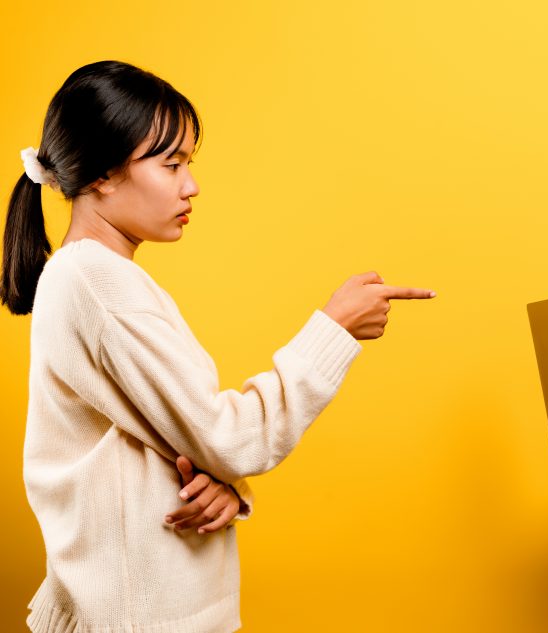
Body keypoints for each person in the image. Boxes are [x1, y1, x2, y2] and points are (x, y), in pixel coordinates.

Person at [2, 60, 435, 633]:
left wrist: (227, 485)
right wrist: (333, 330)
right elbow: (226, 437)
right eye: (171, 163)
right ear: (104, 174)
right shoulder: (97, 284)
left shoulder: (95, 277)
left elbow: (176, 435)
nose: (191, 185)